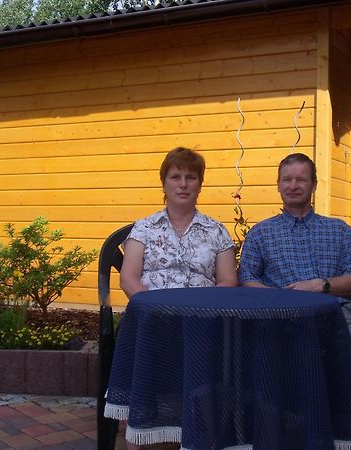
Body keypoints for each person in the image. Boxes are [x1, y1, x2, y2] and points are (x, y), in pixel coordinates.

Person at [238, 152, 351, 448]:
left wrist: (322, 285)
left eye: (301, 179)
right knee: (261, 357)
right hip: (280, 316)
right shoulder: (261, 233)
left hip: (337, 312)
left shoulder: (339, 230)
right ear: (278, 185)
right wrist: (277, 298)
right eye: (287, 180)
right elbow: (247, 279)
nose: (294, 185)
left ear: (314, 184)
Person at [120, 146, 237, 449]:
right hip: (153, 318)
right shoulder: (144, 228)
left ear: (200, 184)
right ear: (164, 183)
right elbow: (129, 278)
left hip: (203, 319)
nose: (183, 184)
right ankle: (139, 430)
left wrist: (202, 310)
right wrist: (154, 308)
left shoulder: (216, 230)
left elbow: (227, 281)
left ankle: (204, 432)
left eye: (191, 177)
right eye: (175, 177)